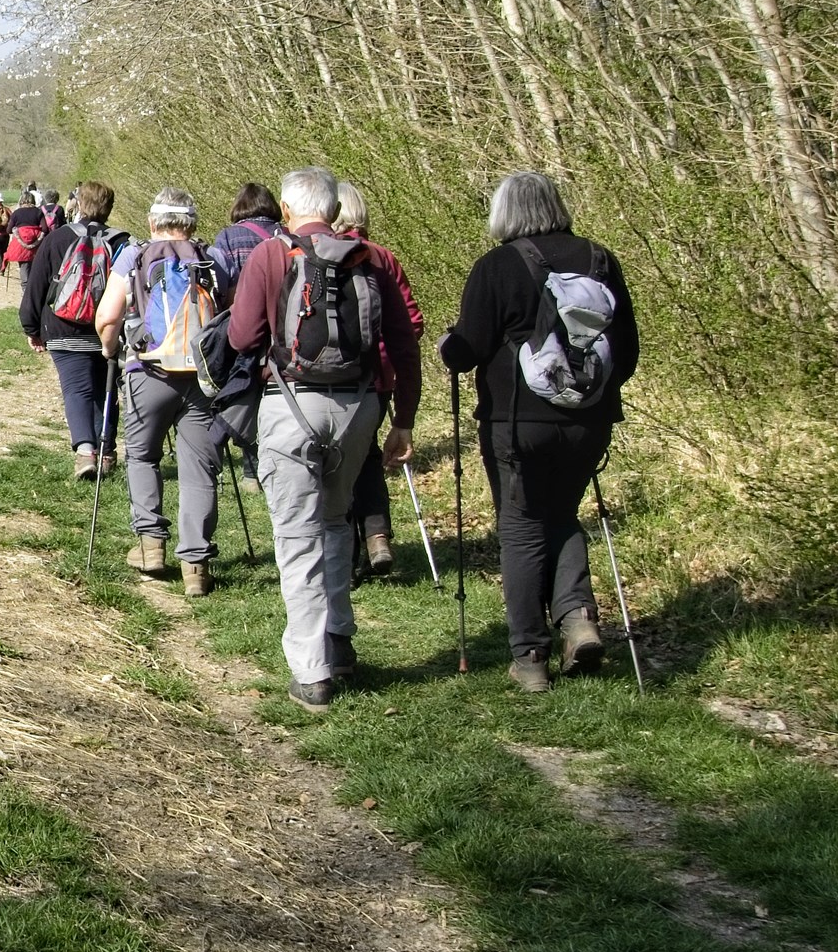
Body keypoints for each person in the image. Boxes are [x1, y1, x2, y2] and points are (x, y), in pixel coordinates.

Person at [224, 167, 420, 707]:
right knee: (335, 522)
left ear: (286, 210)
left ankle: (311, 669)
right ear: (333, 211)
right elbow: (404, 346)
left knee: (296, 536)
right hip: (359, 407)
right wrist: (403, 418)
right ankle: (339, 642)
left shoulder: (271, 256)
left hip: (291, 407)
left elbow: (242, 336)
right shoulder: (373, 259)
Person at [438, 170, 640, 692]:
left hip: (516, 420)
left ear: (505, 214)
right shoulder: (599, 261)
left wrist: (447, 345)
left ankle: (529, 655)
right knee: (562, 514)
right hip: (588, 419)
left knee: (522, 525)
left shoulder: (498, 266)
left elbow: (468, 350)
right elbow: (628, 353)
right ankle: (576, 619)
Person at [93, 189, 226, 595]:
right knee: (199, 468)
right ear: (193, 223)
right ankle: (196, 566)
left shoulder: (135, 255)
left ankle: (151, 547)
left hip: (147, 370)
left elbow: (107, 316)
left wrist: (109, 347)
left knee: (142, 456)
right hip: (201, 378)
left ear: (153, 222)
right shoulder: (213, 259)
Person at [331, 179, 430, 581]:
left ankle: (353, 552)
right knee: (367, 453)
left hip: (342, 376)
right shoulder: (385, 257)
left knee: (345, 460)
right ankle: (377, 536)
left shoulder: (322, 256)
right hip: (382, 378)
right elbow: (413, 320)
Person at [19, 180, 128, 479]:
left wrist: (31, 327)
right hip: (106, 331)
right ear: (109, 207)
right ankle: (106, 453)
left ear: (79, 204)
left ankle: (84, 452)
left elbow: (37, 286)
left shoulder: (57, 239)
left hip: (63, 330)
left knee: (76, 390)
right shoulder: (122, 242)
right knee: (105, 392)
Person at [202, 182, 281, 490]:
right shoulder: (286, 234)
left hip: (243, 322)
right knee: (269, 393)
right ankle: (258, 467)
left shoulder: (228, 237)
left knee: (244, 390)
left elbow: (217, 282)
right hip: (281, 325)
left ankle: (245, 467)